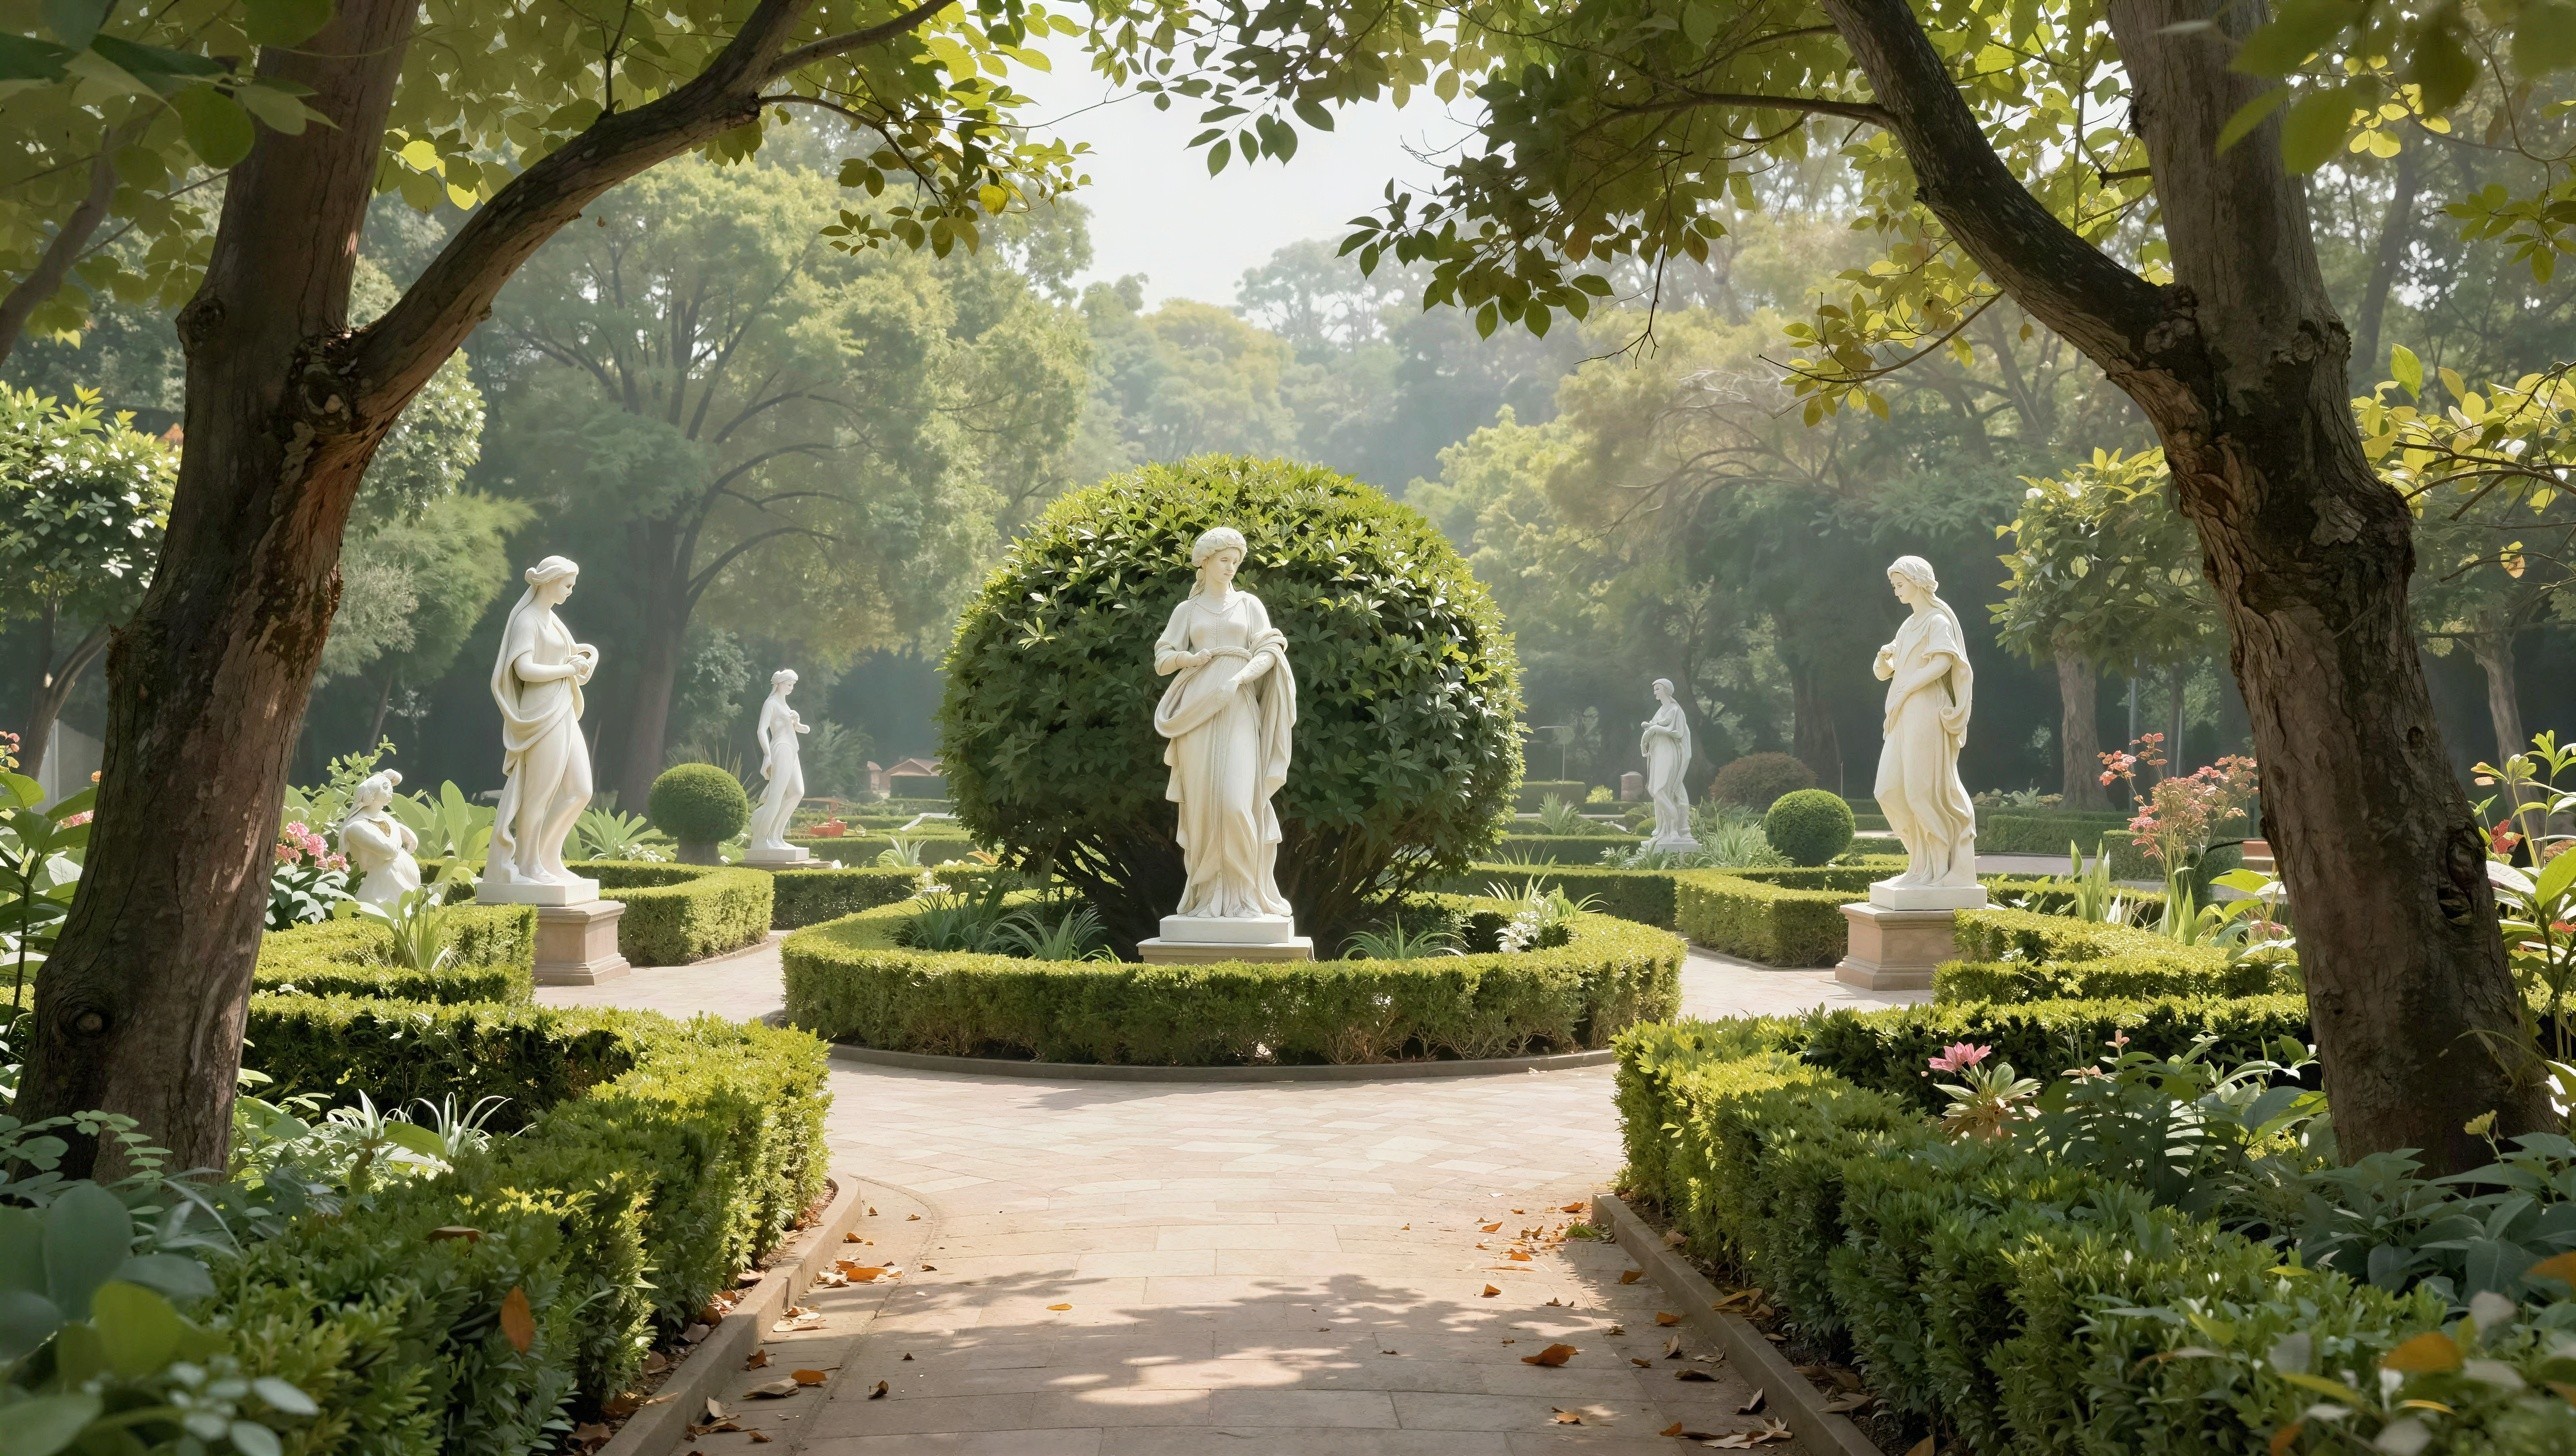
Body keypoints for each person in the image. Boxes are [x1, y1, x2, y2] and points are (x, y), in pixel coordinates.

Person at [1152, 526, 1297, 920]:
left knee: (1236, 801)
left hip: (1237, 705)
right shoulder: (1187, 610)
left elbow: (1270, 650)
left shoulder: (1249, 604)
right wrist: (1188, 659)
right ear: (1205, 562)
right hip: (1197, 709)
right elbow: (1162, 657)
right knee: (1203, 805)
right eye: (1223, 560)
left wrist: (1239, 678)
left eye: (1236, 561)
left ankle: (1245, 896)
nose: (1231, 567)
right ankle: (1208, 896)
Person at [488, 556, 598, 890]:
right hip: (540, 710)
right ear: (550, 581)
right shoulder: (528, 619)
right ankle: (527, 863)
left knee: (580, 789)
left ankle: (548, 859)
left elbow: (567, 656)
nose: (570, 591)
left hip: (562, 704)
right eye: (567, 584)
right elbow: (523, 669)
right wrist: (567, 670)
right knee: (539, 792)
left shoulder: (553, 619)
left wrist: (585, 657)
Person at [1873, 554, 1979, 889]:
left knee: (1921, 791)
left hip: (1926, 709)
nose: (1896, 591)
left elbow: (1945, 663)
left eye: (1900, 584)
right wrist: (1884, 661)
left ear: (1917, 582)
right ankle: (1918, 863)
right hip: (1903, 711)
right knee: (1888, 789)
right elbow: (1883, 673)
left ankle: (1940, 869)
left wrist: (1907, 685)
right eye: (1894, 585)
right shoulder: (1907, 626)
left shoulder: (1937, 621)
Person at [338, 768, 421, 909]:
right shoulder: (356, 827)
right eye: (385, 787)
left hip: (398, 884)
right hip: (381, 892)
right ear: (371, 793)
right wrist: (398, 829)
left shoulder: (383, 818)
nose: (390, 791)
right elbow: (390, 851)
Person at [747, 669, 809, 853]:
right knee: (775, 796)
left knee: (797, 792)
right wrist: (767, 754)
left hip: (792, 749)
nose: (791, 688)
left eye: (793, 685)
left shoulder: (786, 706)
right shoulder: (771, 703)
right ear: (779, 683)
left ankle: (776, 836)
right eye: (789, 684)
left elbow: (804, 730)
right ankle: (760, 839)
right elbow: (761, 730)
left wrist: (797, 723)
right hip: (780, 748)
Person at [1640, 678, 1697, 849]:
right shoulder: (1660, 711)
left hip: (1669, 753)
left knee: (1661, 790)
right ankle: (1664, 829)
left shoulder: (1675, 710)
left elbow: (1678, 733)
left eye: (1657, 689)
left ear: (1665, 690)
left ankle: (1674, 827)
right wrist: (1649, 729)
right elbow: (1653, 728)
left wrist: (1656, 729)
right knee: (1654, 789)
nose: (1655, 692)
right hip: (1657, 753)